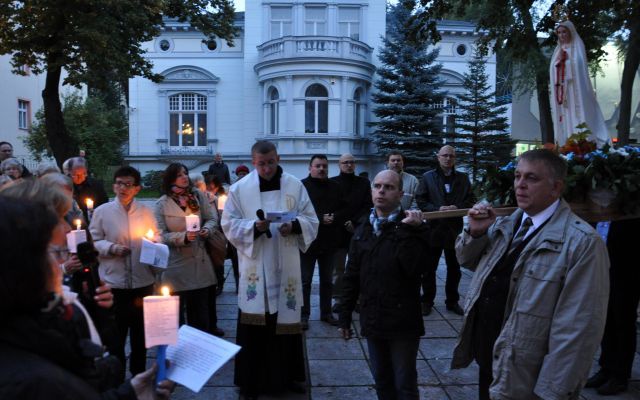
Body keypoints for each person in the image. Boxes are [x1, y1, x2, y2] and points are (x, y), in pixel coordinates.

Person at [452, 149, 610, 400]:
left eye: (532, 178)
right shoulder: (505, 225)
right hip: (492, 360)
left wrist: (553, 390)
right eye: (517, 176)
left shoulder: (582, 243)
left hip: (529, 378)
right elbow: (467, 261)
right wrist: (476, 234)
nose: (520, 185)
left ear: (556, 187)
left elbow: (578, 329)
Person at [0, 186, 173, 400]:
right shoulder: (32, 382)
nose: (63, 264)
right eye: (57, 252)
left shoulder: (48, 318)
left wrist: (131, 393)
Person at [221, 140, 318, 399]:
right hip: (256, 263)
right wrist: (255, 227)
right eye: (261, 164)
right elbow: (228, 224)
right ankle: (250, 381)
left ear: (278, 158)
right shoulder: (240, 189)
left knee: (285, 323)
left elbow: (311, 219)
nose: (266, 168)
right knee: (255, 326)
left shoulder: (295, 186)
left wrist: (294, 226)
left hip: (285, 262)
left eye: (271, 162)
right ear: (254, 162)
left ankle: (289, 377)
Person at [338, 170, 429, 400]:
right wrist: (345, 315)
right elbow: (351, 274)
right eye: (377, 186)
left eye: (388, 187)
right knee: (382, 381)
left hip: (402, 321)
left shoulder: (414, 227)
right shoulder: (363, 228)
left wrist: (409, 231)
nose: (381, 191)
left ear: (400, 193)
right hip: (372, 317)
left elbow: (414, 269)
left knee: (404, 384)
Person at [89, 166, 159, 377]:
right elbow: (94, 240)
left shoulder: (146, 211)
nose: (123, 188)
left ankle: (139, 377)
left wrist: (154, 243)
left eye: (128, 184)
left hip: (142, 283)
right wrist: (111, 248)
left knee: (141, 337)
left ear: (137, 188)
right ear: (114, 186)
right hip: (114, 284)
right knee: (115, 338)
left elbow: (157, 235)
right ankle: (117, 380)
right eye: (119, 183)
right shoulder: (103, 211)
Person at [155, 163, 224, 337]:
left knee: (200, 316)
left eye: (185, 173)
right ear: (171, 179)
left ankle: (199, 353)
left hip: (199, 262)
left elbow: (212, 218)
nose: (185, 177)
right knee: (175, 318)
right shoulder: (162, 203)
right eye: (179, 175)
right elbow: (160, 234)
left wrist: (207, 230)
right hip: (175, 266)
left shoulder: (198, 196)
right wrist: (182, 237)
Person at [416, 145, 473, 316]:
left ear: (455, 158)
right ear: (438, 157)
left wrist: (458, 207)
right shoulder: (428, 177)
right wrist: (436, 208)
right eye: (445, 155)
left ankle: (452, 301)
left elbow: (470, 199)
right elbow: (421, 199)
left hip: (454, 231)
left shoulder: (463, 178)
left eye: (451, 156)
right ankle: (426, 301)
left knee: (454, 269)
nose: (448, 158)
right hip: (433, 229)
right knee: (428, 268)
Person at [585, 218, 640, 395]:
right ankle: (606, 368)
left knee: (623, 319)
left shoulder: (628, 212)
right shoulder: (594, 214)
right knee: (605, 317)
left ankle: (620, 375)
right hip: (600, 267)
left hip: (626, 270)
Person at [300, 154, 348, 329]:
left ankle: (326, 313)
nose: (321, 169)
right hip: (308, 241)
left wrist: (334, 217)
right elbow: (298, 212)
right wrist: (320, 218)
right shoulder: (302, 187)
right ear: (310, 167)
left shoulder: (336, 186)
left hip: (329, 241)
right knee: (305, 281)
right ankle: (303, 315)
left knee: (327, 280)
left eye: (324, 166)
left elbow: (344, 209)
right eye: (318, 166)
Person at [550, 20, 609, 147]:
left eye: (564, 32)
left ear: (570, 32)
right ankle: (569, 142)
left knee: (579, 115)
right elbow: (553, 70)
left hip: (577, 91)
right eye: (559, 33)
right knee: (567, 117)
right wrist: (558, 63)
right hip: (565, 93)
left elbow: (579, 68)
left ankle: (584, 143)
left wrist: (566, 63)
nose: (561, 35)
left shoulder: (577, 48)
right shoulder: (558, 51)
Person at [330, 153, 372, 314]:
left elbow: (368, 205)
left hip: (359, 230)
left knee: (359, 267)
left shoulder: (363, 183)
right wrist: (344, 221)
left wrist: (354, 222)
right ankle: (339, 299)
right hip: (338, 232)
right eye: (345, 162)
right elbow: (332, 206)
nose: (349, 165)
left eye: (352, 162)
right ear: (339, 165)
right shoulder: (332, 182)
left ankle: (360, 299)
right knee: (338, 269)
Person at [66, 157, 109, 222]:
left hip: (93, 224)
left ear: (86, 171)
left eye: (83, 174)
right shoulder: (63, 186)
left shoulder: (96, 185)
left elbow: (104, 205)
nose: (79, 177)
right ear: (69, 171)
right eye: (75, 174)